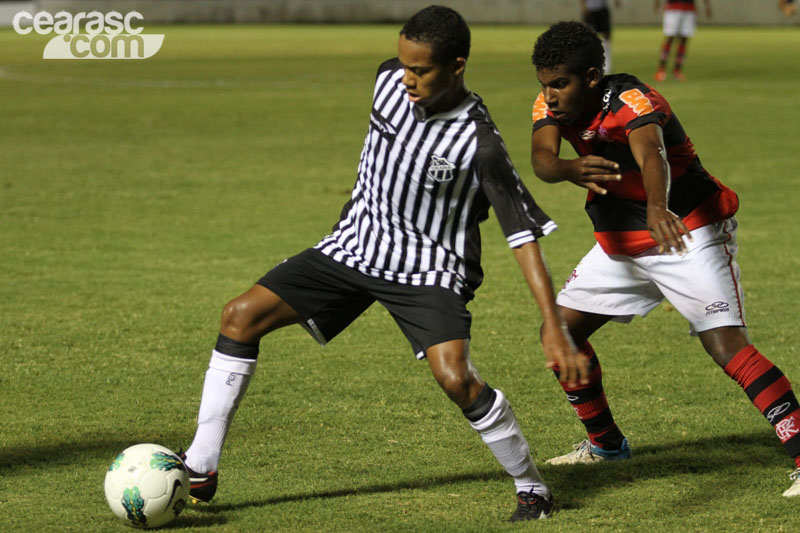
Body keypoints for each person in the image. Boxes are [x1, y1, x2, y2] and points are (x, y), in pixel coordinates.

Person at [181, 5, 589, 523]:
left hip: (430, 267)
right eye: (404, 65)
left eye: (421, 70)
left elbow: (522, 235)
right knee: (239, 316)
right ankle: (200, 465)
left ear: (457, 67)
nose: (407, 78)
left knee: (456, 378)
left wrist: (553, 325)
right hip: (354, 245)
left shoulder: (480, 144)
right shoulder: (386, 81)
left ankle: (532, 488)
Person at [529, 20, 800, 497]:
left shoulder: (633, 100)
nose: (549, 95)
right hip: (621, 244)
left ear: (591, 76)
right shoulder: (552, 104)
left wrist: (658, 206)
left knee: (726, 347)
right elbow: (542, 160)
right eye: (545, 84)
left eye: (559, 84)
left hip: (686, 230)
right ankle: (607, 445)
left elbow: (652, 154)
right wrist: (570, 168)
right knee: (563, 332)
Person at [653, 0, 712, 82]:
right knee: (670, 38)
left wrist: (707, 6)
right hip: (672, 8)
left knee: (684, 40)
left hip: (689, 9)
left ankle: (677, 71)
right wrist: (657, 3)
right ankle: (661, 69)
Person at [580, 0, 621, 74]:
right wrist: (583, 6)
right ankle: (589, 61)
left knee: (606, 35)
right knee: (588, 35)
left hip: (602, 9)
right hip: (590, 9)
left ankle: (607, 63)